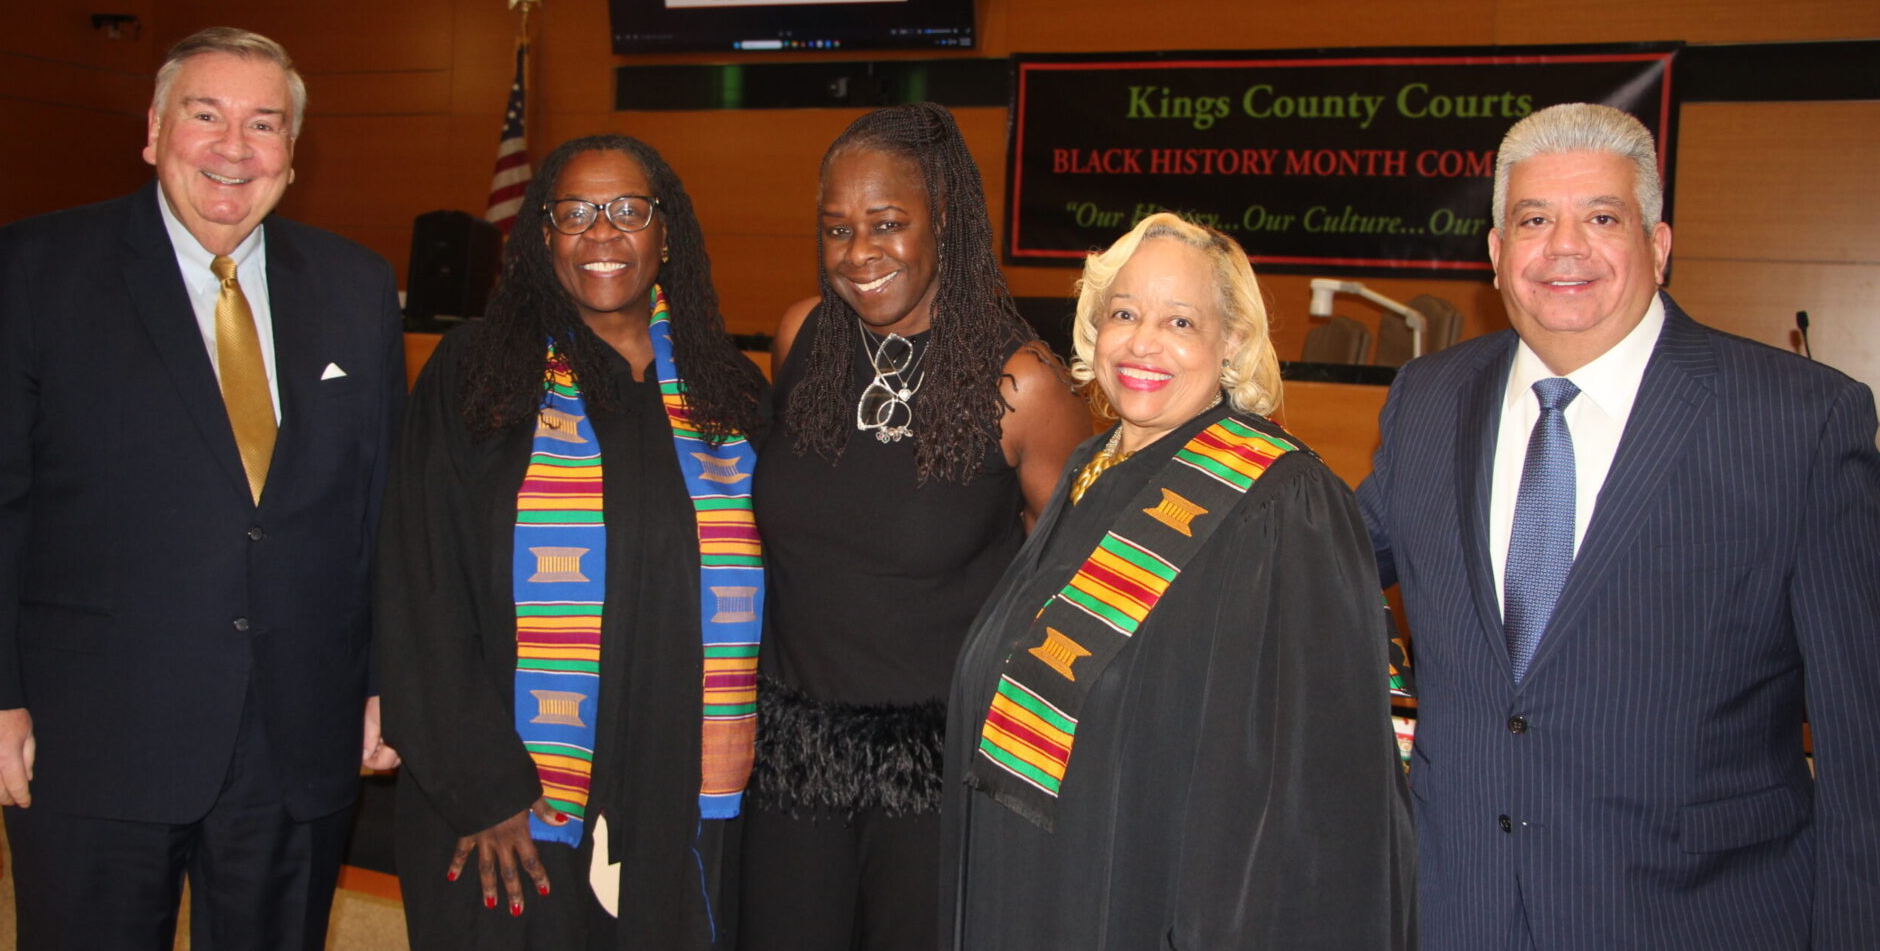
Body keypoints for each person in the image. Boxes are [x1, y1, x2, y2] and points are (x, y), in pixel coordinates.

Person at [1357, 102, 1880, 949]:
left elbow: (1864, 743)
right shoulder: (1429, 398)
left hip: (1696, 918)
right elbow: (1318, 561)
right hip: (1460, 914)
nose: (1565, 246)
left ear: (1659, 246)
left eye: (1602, 217)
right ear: (1496, 254)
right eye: (1534, 220)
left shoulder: (1801, 422)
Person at [0, 28, 405, 950]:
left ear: (292, 152)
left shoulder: (357, 287)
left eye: (264, 123)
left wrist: (382, 685)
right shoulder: (39, 267)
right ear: (155, 132)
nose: (233, 147)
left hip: (298, 734)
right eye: (205, 116)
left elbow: (379, 511)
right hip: (95, 739)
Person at [939, 212, 1416, 949]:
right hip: (1045, 883)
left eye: (1181, 321)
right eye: (1124, 313)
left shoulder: (1283, 504)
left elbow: (1311, 791)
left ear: (1230, 344)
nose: (1143, 342)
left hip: (1148, 902)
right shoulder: (1089, 467)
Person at [375, 133, 768, 949]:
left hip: (682, 779)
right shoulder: (476, 374)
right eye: (575, 213)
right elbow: (421, 585)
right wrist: (483, 789)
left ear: (668, 233)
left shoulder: (728, 389)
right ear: (542, 235)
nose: (602, 235)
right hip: (510, 801)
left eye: (628, 211)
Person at [738, 103, 1093, 951]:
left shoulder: (1025, 388)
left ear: (946, 219)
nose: (858, 253)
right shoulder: (801, 338)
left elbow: (1071, 601)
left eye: (887, 224)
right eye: (836, 229)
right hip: (791, 763)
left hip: (937, 782)